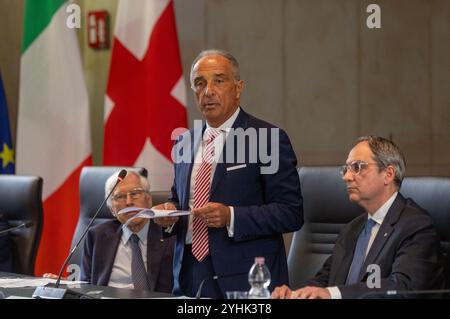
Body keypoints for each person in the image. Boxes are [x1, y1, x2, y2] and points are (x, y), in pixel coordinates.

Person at [153, 49, 303, 298]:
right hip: (188, 273)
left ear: (239, 87)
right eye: (200, 83)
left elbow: (291, 213)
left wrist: (231, 216)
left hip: (246, 278)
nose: (208, 91)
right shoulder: (184, 143)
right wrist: (168, 213)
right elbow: (178, 199)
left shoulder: (267, 139)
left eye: (218, 80)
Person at [272, 136, 444, 299]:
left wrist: (332, 294)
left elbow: (401, 287)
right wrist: (296, 294)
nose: (347, 177)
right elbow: (326, 280)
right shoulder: (352, 228)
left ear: (388, 174)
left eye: (357, 167)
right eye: (346, 169)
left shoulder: (416, 225)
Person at [44, 170, 175, 293]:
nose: (129, 202)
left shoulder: (169, 234)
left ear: (148, 200)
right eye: (120, 197)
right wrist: (66, 285)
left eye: (135, 193)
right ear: (112, 209)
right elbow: (86, 285)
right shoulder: (97, 235)